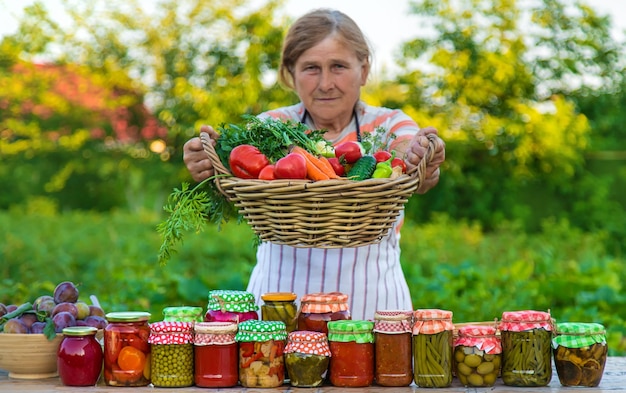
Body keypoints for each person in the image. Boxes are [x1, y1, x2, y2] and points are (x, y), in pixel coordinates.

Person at [182, 8, 446, 320]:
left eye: (338, 66)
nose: (325, 83)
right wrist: (209, 166)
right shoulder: (269, 127)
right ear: (290, 74)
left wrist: (422, 156)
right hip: (280, 300)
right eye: (310, 68)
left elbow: (415, 165)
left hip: (374, 301)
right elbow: (236, 183)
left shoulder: (389, 124)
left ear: (363, 70)